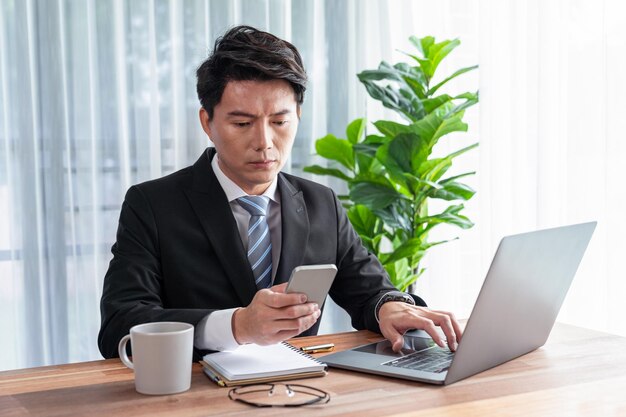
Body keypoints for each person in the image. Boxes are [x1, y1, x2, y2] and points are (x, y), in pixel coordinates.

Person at [98, 25, 461, 360]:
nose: (264, 142)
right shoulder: (154, 205)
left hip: (300, 392)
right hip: (193, 396)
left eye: (280, 121)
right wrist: (238, 326)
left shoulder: (321, 204)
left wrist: (390, 306)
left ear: (298, 116)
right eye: (242, 123)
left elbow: (370, 291)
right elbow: (120, 324)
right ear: (207, 122)